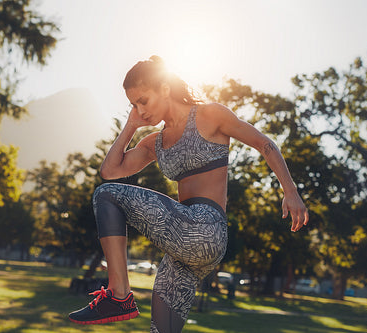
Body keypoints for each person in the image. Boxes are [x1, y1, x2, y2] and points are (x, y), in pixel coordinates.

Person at [68, 56, 309, 332]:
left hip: (206, 228)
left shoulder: (210, 115)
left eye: (143, 101)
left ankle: (119, 295)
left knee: (106, 195)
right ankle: (120, 297)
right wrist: (131, 126)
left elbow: (264, 143)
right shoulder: (155, 142)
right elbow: (111, 170)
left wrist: (291, 191)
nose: (140, 110)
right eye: (133, 105)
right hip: (184, 248)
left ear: (165, 89)